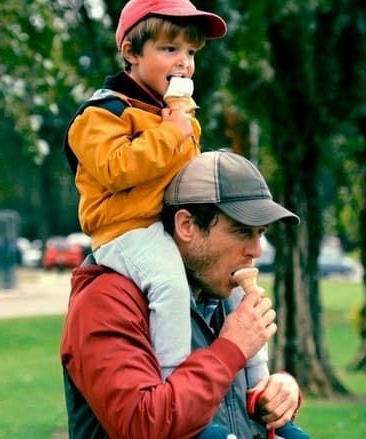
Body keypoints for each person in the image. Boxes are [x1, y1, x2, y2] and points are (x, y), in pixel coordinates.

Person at [60, 151, 311, 438]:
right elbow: (144, 425)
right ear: (186, 226)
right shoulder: (106, 302)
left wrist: (281, 392)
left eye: (260, 233)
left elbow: (224, 407)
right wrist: (231, 349)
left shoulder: (217, 291)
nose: (256, 250)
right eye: (242, 231)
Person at [64, 0, 240, 382]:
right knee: (170, 286)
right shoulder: (102, 113)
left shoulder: (174, 115)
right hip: (125, 231)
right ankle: (174, 381)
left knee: (235, 279)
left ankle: (258, 384)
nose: (184, 63)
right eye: (169, 48)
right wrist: (171, 132)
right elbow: (116, 169)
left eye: (190, 52)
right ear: (131, 53)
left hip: (170, 229)